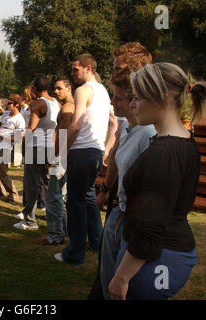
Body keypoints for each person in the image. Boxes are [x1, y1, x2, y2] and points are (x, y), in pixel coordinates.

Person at [108, 63, 206, 300]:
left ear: (162, 99)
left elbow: (150, 227)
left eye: (138, 98)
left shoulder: (164, 153)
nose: (132, 105)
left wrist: (121, 277)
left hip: (156, 257)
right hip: (165, 252)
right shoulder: (182, 140)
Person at [88, 42, 153, 300]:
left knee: (118, 278)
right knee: (106, 271)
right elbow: (116, 153)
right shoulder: (129, 122)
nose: (114, 73)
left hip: (132, 219)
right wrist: (107, 188)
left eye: (119, 68)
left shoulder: (150, 132)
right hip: (119, 210)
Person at [54, 53, 111, 264]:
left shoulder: (83, 90)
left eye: (75, 69)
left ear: (88, 69)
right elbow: (114, 122)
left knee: (75, 204)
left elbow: (76, 125)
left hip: (81, 152)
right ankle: (97, 243)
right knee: (87, 198)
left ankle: (74, 253)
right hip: (95, 152)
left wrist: (61, 153)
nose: (72, 73)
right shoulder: (104, 92)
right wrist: (107, 147)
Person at [14, 77, 60, 231]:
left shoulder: (38, 103)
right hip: (50, 146)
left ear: (34, 89)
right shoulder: (55, 102)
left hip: (36, 146)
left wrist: (17, 137)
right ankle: (50, 215)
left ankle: (30, 221)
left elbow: (31, 128)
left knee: (31, 183)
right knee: (48, 183)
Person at [40, 80, 74, 245]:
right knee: (62, 196)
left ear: (69, 88)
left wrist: (54, 158)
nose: (56, 91)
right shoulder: (69, 106)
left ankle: (55, 236)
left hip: (62, 158)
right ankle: (66, 231)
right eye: (55, 88)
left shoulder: (68, 107)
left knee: (53, 197)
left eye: (60, 88)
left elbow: (63, 134)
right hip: (66, 157)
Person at [0, 94, 25, 202]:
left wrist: (3, 137)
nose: (7, 105)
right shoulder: (6, 114)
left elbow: (18, 138)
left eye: (10, 103)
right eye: (7, 102)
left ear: (17, 104)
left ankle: (13, 194)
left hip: (5, 147)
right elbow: (0, 126)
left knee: (2, 172)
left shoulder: (19, 119)